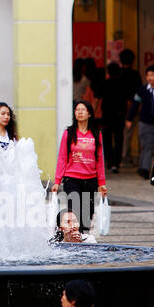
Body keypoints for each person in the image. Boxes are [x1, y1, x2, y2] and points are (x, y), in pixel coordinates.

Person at [52, 100, 106, 233]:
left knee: (87, 216)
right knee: (74, 213)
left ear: (89, 114)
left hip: (91, 179)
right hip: (72, 178)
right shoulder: (69, 133)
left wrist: (102, 183)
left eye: (83, 110)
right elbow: (62, 157)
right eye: (77, 110)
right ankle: (76, 241)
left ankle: (82, 237)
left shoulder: (96, 134)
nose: (80, 112)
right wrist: (57, 181)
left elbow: (99, 160)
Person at [129, 64, 154, 179]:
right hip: (145, 122)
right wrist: (129, 118)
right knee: (146, 145)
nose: (149, 78)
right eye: (147, 75)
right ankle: (144, 168)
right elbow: (135, 104)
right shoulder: (143, 89)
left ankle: (150, 168)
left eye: (152, 75)